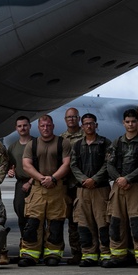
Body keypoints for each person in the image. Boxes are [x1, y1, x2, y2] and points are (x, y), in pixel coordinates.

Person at [103, 109, 138, 268]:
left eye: (134, 121)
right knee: (116, 222)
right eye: (128, 122)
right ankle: (118, 255)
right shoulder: (116, 143)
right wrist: (119, 178)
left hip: (136, 187)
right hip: (118, 186)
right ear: (123, 123)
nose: (131, 124)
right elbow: (109, 164)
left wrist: (128, 178)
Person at [18, 115, 69, 266]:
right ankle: (29, 254)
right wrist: (42, 179)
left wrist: (53, 178)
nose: (45, 128)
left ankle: (53, 253)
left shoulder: (63, 143)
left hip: (57, 188)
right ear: (38, 127)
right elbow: (27, 165)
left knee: (55, 223)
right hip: (38, 189)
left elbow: (66, 164)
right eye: (43, 126)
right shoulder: (31, 144)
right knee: (33, 223)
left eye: (48, 125)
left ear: (53, 126)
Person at [69, 113, 111, 267]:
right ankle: (89, 254)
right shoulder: (77, 145)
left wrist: (95, 179)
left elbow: (108, 164)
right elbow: (73, 165)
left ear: (96, 125)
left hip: (100, 189)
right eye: (85, 123)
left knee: (103, 222)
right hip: (83, 190)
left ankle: (106, 253)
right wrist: (83, 180)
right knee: (84, 223)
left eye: (91, 123)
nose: (88, 126)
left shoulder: (105, 143)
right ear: (82, 126)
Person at [60, 108, 84, 264]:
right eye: (69, 117)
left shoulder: (87, 136)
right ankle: (76, 253)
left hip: (84, 185)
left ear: (78, 118)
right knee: (72, 221)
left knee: (86, 220)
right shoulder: (61, 139)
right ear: (65, 119)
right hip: (67, 185)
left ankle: (90, 251)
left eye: (74, 117)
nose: (71, 119)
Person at [6, 115, 33, 237]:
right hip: (21, 184)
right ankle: (25, 244)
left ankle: (38, 246)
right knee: (20, 212)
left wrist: (31, 182)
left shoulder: (37, 143)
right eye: (20, 126)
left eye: (25, 125)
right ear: (16, 128)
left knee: (36, 216)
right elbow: (10, 165)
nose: (22, 128)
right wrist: (10, 171)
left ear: (30, 126)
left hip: (35, 183)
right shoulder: (13, 147)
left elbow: (42, 166)